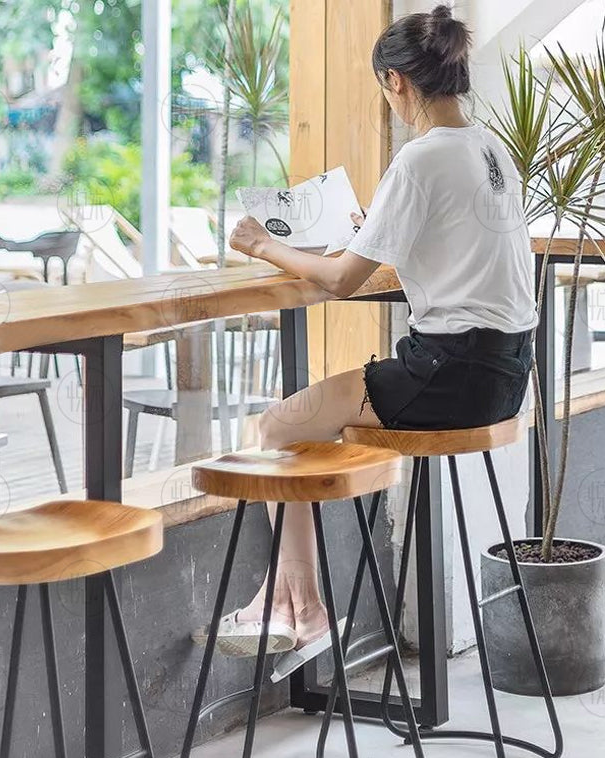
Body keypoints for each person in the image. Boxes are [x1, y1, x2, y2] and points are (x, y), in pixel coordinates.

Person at [194, 6, 537, 680]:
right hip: (505, 370)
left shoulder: (420, 159)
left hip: (450, 370)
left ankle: (301, 605)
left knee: (279, 423)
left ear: (396, 82)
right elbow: (450, 251)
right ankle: (288, 600)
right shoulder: (491, 148)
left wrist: (265, 244)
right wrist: (371, 230)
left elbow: (347, 280)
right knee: (301, 423)